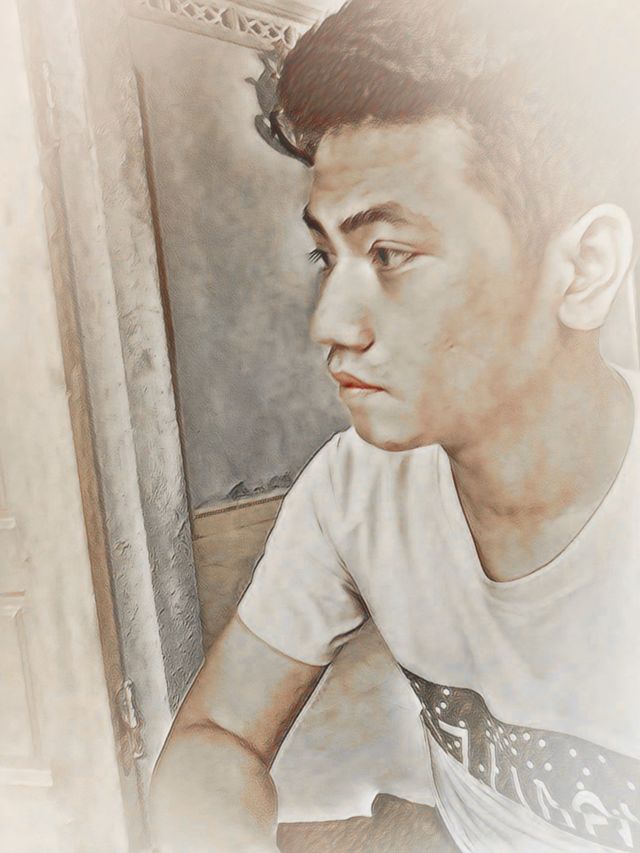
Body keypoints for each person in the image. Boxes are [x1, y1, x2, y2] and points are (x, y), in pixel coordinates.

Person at [150, 0, 640, 850]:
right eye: (327, 254)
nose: (330, 323)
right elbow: (217, 734)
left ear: (584, 267)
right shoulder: (357, 483)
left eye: (390, 254)